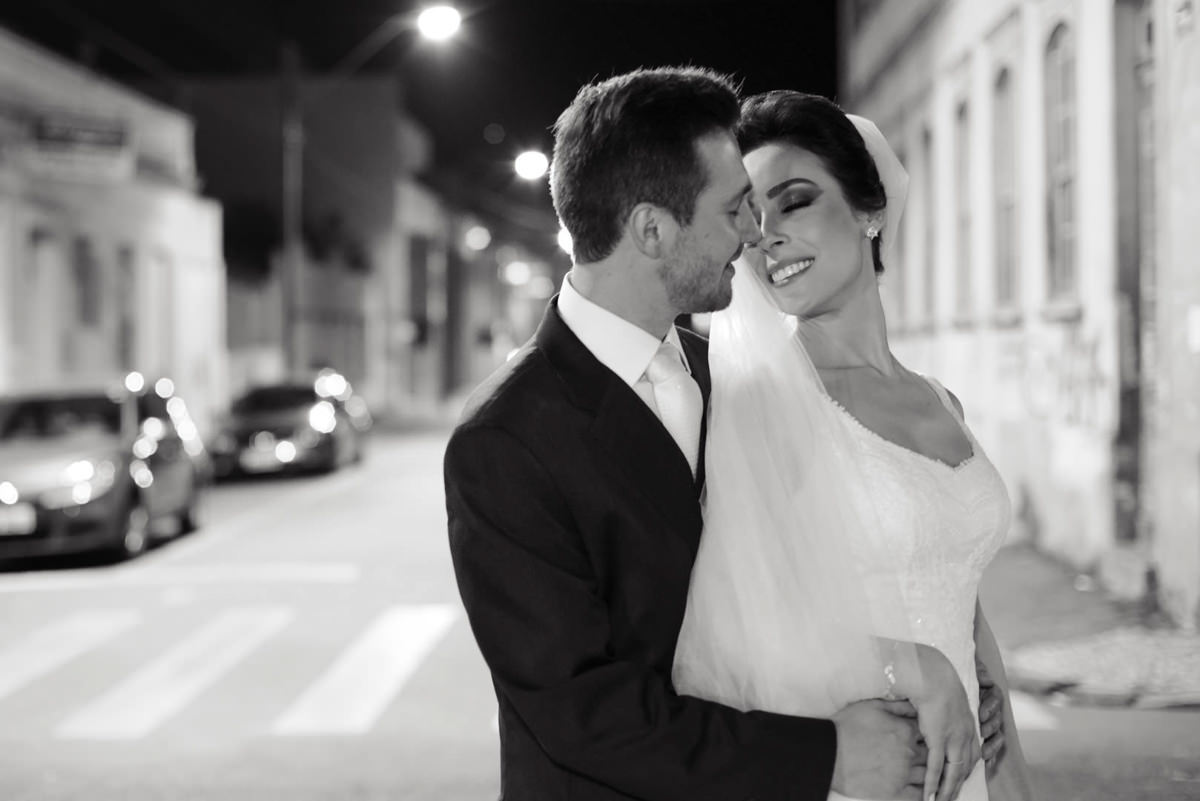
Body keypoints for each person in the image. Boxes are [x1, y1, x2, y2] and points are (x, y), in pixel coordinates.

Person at [445, 67, 939, 801]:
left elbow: (786, 594)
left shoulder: (734, 378)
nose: (754, 235)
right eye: (735, 207)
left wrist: (917, 666)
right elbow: (583, 712)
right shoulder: (504, 442)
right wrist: (824, 757)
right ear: (652, 229)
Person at [672, 91, 1035, 801]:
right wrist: (914, 664)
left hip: (974, 771)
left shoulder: (940, 400)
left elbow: (961, 593)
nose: (765, 234)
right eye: (751, 213)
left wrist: (1013, 769)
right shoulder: (764, 406)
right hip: (870, 767)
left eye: (795, 200)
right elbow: (743, 621)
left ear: (870, 209)